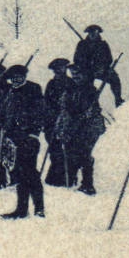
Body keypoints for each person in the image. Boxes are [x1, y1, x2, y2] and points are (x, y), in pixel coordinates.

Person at [0, 64, 48, 219]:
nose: (16, 79)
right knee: (19, 174)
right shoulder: (9, 92)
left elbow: (40, 113)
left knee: (31, 172)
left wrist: (33, 134)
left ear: (24, 76)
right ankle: (21, 209)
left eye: (19, 76)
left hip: (28, 138)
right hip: (12, 139)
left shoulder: (33, 89)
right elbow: (5, 113)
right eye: (13, 77)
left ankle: (39, 208)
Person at [58, 63, 105, 194]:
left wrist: (84, 115)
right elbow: (67, 109)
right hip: (76, 124)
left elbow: (87, 110)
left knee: (84, 153)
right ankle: (72, 180)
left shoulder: (90, 90)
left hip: (90, 127)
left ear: (85, 74)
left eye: (78, 74)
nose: (75, 76)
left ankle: (88, 184)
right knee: (72, 151)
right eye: (73, 74)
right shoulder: (71, 89)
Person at [73, 24, 124, 106]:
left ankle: (118, 99)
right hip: (87, 71)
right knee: (86, 87)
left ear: (98, 33)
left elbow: (109, 59)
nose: (93, 34)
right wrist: (86, 64)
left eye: (95, 32)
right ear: (88, 33)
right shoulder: (82, 44)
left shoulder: (103, 45)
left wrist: (102, 67)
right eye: (91, 32)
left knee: (114, 78)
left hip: (101, 70)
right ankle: (91, 105)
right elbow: (76, 59)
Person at [42, 58, 72, 187]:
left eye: (61, 68)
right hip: (51, 122)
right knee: (54, 150)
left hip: (67, 122)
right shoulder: (51, 84)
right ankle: (54, 178)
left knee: (67, 150)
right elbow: (46, 103)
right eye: (56, 69)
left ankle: (67, 178)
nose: (59, 71)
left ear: (65, 68)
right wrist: (49, 118)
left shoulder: (71, 83)